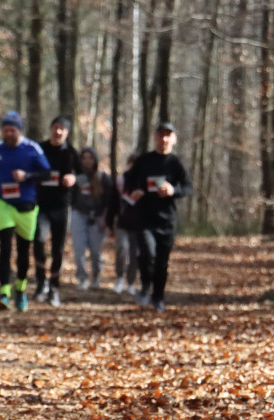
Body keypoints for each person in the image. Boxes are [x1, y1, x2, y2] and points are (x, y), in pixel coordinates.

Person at [0, 111, 50, 312]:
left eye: (12, 130)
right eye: (5, 130)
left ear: (19, 130)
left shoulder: (32, 148)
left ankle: (20, 289)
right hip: (3, 204)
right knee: (4, 247)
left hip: (27, 208)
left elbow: (46, 173)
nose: (8, 134)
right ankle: (4, 293)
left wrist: (27, 176)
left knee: (23, 251)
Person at [124, 121, 192, 312]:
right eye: (160, 134)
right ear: (154, 137)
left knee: (162, 262)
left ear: (174, 139)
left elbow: (188, 188)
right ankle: (145, 287)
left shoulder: (175, 163)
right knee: (147, 254)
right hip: (145, 218)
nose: (164, 139)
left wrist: (173, 190)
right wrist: (134, 190)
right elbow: (127, 179)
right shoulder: (144, 160)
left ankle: (158, 297)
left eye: (168, 135)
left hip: (167, 220)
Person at [34, 117, 81, 306]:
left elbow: (85, 177)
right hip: (40, 205)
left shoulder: (71, 153)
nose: (58, 132)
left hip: (62, 206)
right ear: (50, 128)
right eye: (55, 128)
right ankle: (40, 283)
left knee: (57, 249)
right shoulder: (39, 149)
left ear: (67, 133)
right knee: (38, 240)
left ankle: (54, 288)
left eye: (62, 129)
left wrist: (74, 178)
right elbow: (28, 169)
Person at [71, 147, 112, 290]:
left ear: (95, 160)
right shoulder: (76, 177)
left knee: (95, 251)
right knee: (79, 249)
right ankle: (82, 278)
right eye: (84, 158)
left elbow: (109, 200)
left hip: (97, 218)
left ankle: (96, 275)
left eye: (90, 158)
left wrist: (105, 219)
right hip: (79, 215)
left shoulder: (103, 177)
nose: (87, 161)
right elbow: (70, 197)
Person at [106, 154, 140, 295]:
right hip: (122, 224)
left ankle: (131, 283)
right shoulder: (121, 182)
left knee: (135, 254)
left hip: (139, 225)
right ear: (128, 164)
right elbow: (113, 203)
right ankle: (119, 278)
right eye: (132, 164)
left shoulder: (142, 182)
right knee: (122, 249)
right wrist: (110, 223)